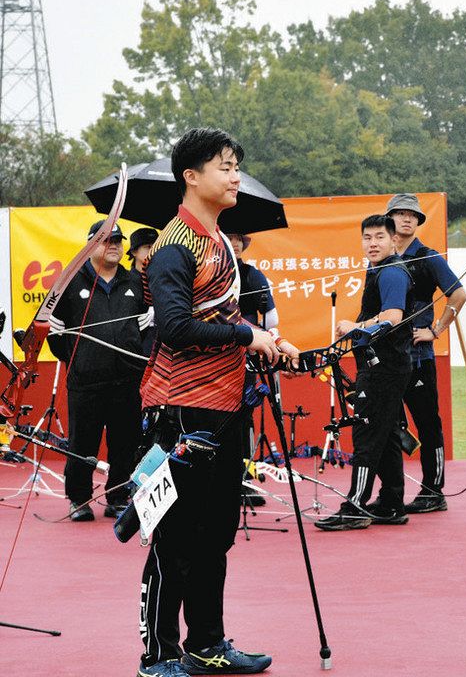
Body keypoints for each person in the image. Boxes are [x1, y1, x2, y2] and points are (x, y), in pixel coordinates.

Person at [137, 127, 300, 677]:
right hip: (181, 411)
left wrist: (270, 340)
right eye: (224, 167)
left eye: (236, 166)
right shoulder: (173, 247)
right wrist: (246, 336)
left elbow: (223, 317)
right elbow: (175, 328)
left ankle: (206, 644)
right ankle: (158, 656)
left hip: (226, 407)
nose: (235, 177)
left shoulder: (221, 242)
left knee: (217, 533)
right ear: (191, 176)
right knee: (175, 539)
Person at [314, 214, 414, 531]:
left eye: (379, 237)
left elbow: (392, 317)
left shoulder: (392, 272)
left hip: (384, 368)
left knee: (367, 433)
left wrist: (354, 327)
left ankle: (355, 506)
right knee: (386, 434)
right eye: (367, 237)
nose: (372, 243)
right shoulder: (379, 269)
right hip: (386, 365)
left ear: (393, 240)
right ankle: (391, 503)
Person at [46, 221, 145, 521]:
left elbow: (146, 328)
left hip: (127, 381)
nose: (114, 246)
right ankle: (79, 499)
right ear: (91, 245)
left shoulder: (136, 282)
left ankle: (118, 497)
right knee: (82, 443)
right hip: (85, 383)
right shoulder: (70, 282)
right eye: (106, 241)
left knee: (125, 443)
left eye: (118, 241)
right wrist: (80, 361)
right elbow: (54, 332)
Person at [384, 193, 466, 514]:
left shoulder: (428, 257)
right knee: (389, 426)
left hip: (418, 358)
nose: (407, 218)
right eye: (400, 213)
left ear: (418, 222)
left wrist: (436, 329)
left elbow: (458, 295)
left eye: (413, 215)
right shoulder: (381, 259)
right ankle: (391, 495)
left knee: (428, 423)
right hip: (388, 358)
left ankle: (434, 491)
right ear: (389, 219)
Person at [228, 232, 279, 509]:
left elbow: (271, 319)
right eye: (228, 236)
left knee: (244, 416)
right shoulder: (209, 272)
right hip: (214, 354)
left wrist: (266, 338)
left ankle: (244, 479)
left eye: (239, 238)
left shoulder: (253, 275)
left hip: (246, 356)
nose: (235, 243)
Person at [128, 227, 160, 358]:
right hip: (135, 356)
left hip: (163, 355)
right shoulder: (125, 282)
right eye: (148, 247)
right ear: (134, 251)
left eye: (157, 246)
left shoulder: (165, 280)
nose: (154, 251)